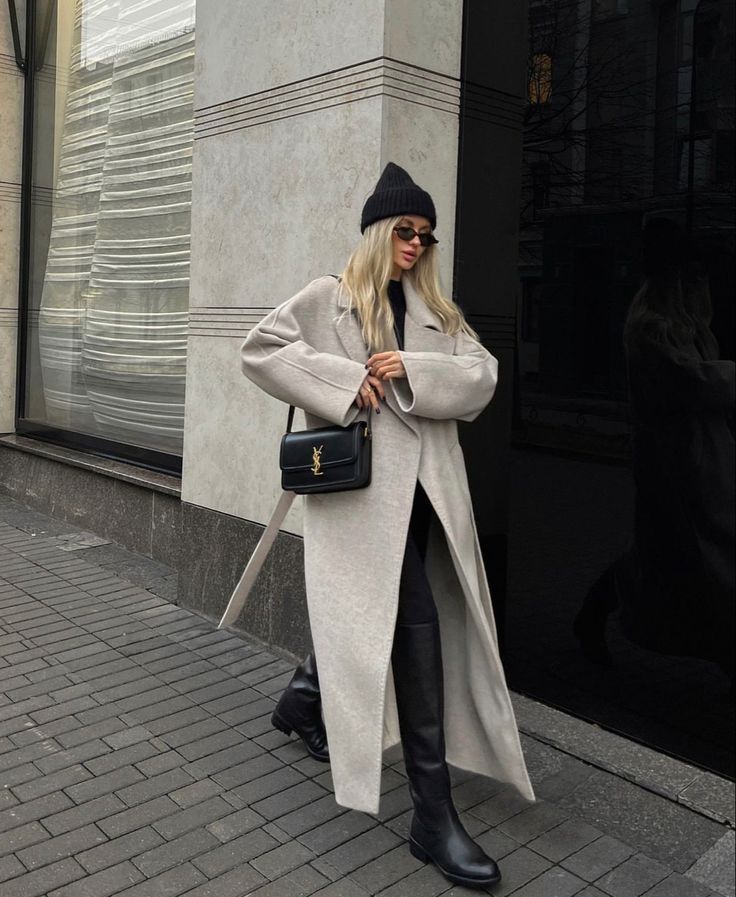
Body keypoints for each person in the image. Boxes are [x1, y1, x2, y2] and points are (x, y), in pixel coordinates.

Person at [240, 163, 534, 890]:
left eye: (426, 234)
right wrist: (347, 382)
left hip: (428, 497)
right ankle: (432, 814)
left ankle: (302, 697)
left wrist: (413, 368)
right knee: (413, 620)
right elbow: (259, 350)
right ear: (377, 230)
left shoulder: (438, 311)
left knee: (374, 614)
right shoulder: (329, 299)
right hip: (362, 502)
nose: (416, 243)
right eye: (405, 229)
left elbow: (484, 376)